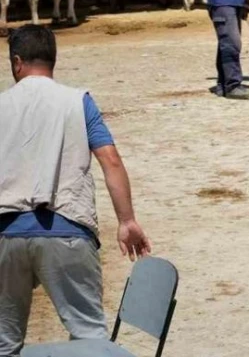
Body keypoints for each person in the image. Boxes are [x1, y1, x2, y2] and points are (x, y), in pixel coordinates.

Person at [0, 25, 152, 356]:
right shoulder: (78, 101)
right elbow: (110, 160)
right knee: (89, 339)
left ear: (16, 62)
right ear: (53, 61)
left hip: (6, 233)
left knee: (4, 343)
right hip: (67, 229)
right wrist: (126, 221)